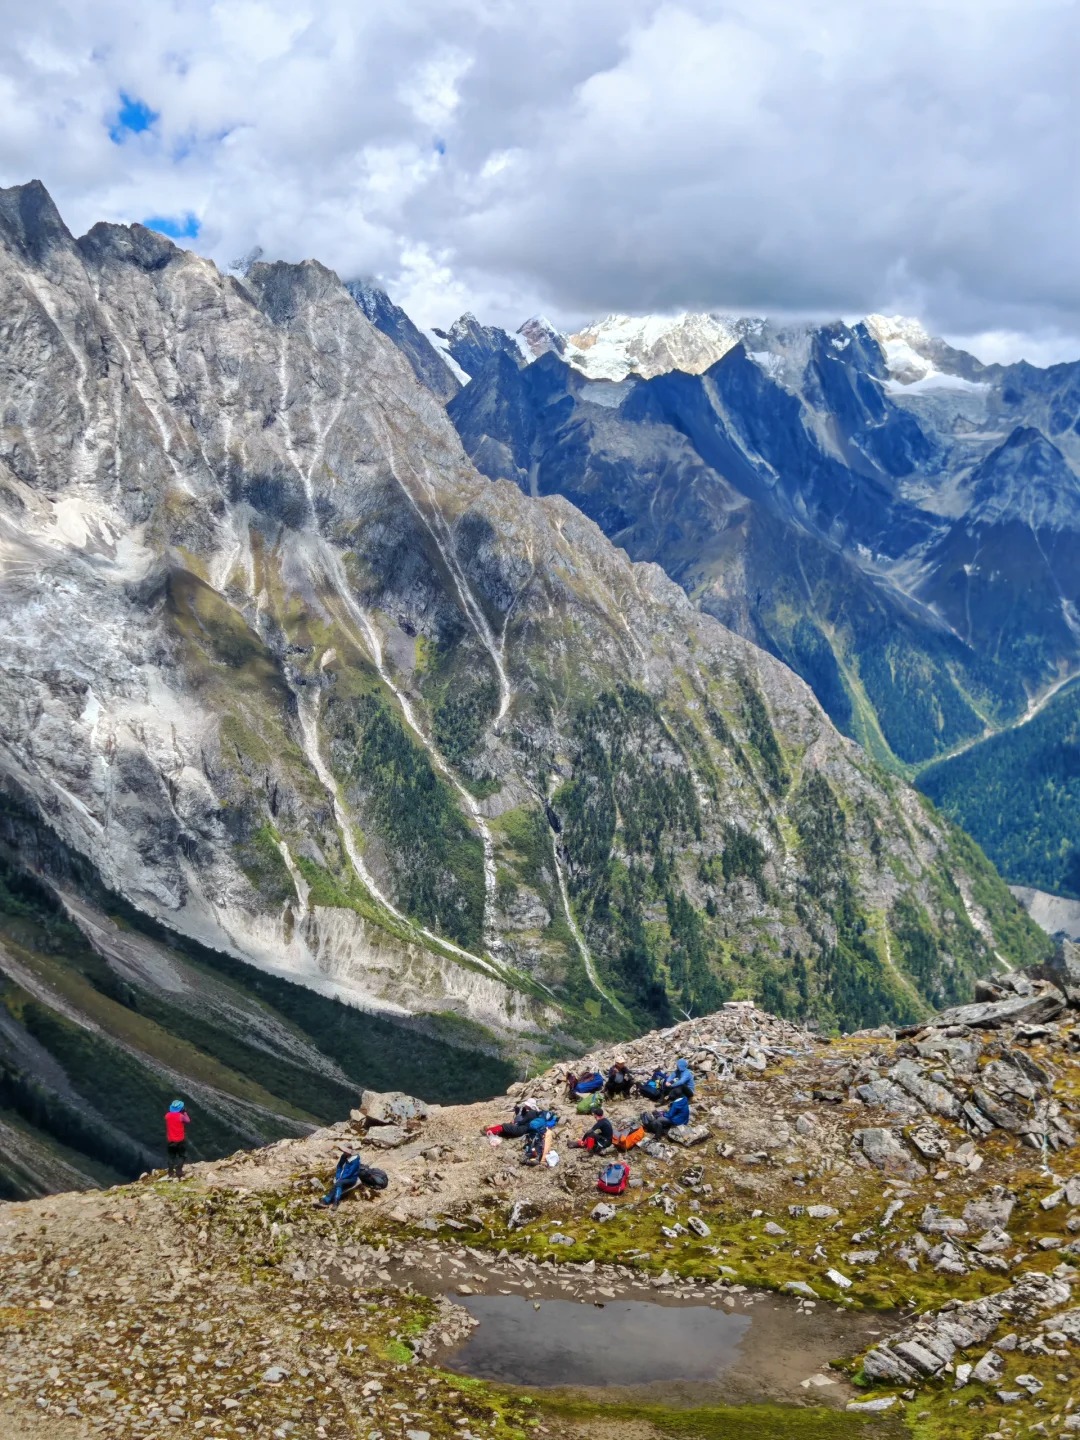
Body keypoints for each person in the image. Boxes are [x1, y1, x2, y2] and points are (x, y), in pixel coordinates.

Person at [164, 1100, 191, 1180]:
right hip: (180, 1140)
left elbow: (168, 1116)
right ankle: (179, 1171)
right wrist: (185, 1112)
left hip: (170, 1140)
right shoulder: (181, 1116)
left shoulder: (167, 1115)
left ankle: (170, 1172)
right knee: (182, 1155)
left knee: (171, 1156)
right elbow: (188, 1121)